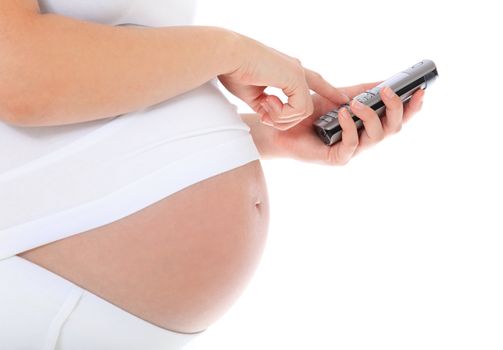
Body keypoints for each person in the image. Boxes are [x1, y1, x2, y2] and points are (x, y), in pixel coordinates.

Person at [0, 0, 425, 349]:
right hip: (37, 277)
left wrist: (261, 135)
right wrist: (229, 52)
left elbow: (111, 79)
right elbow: (15, 72)